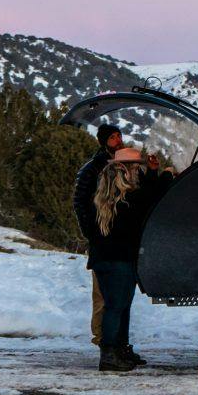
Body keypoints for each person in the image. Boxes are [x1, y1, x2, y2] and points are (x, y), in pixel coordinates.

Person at [88, 147, 174, 371]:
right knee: (117, 306)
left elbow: (146, 193)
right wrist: (164, 174)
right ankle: (109, 354)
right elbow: (153, 195)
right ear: (124, 172)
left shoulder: (105, 199)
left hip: (103, 259)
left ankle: (117, 350)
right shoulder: (130, 200)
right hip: (120, 260)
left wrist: (153, 173)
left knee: (118, 305)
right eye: (136, 167)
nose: (138, 171)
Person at [74, 124, 122, 347]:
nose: (118, 140)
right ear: (104, 141)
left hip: (118, 240)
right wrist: (91, 232)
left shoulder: (124, 165)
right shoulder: (92, 169)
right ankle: (102, 338)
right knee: (102, 295)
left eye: (119, 135)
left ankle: (117, 341)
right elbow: (80, 202)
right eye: (113, 137)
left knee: (118, 296)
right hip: (101, 239)